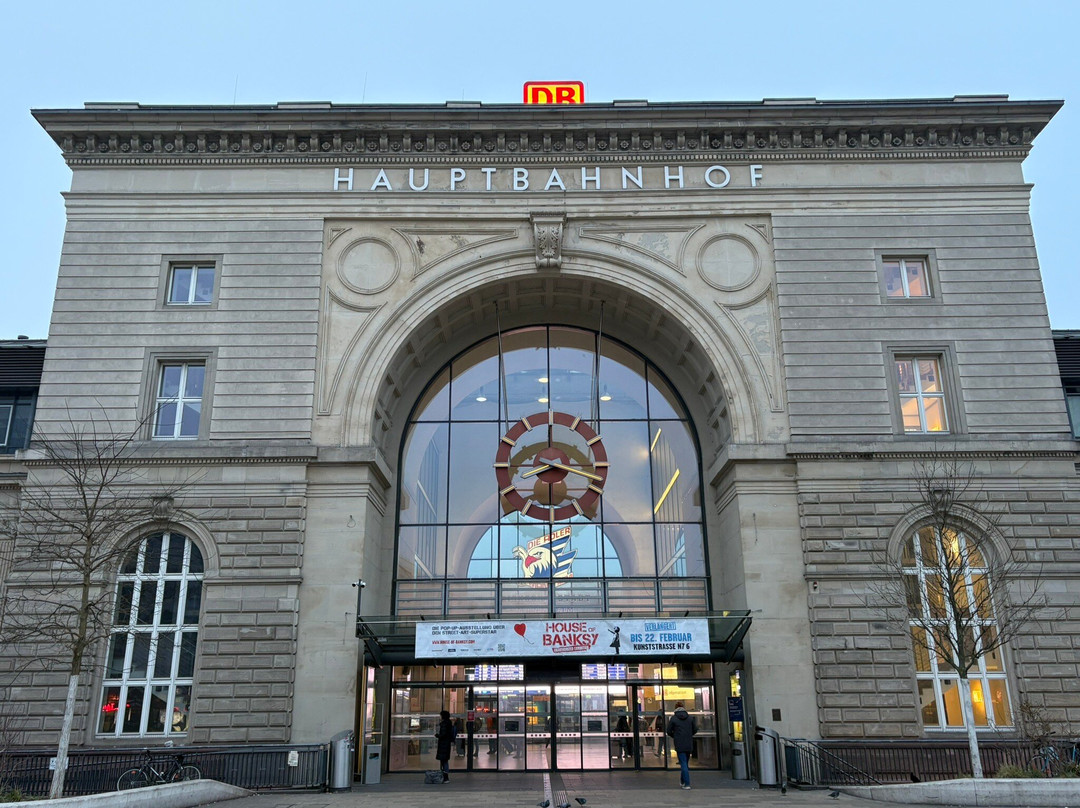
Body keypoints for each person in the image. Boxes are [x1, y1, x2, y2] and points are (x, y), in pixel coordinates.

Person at [666, 702, 697, 790]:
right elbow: (695, 729)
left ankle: (687, 783)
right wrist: (689, 735)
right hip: (688, 743)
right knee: (685, 763)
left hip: (679, 743)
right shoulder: (690, 718)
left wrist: (675, 736)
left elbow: (668, 731)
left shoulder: (674, 719)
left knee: (683, 764)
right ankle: (683, 781)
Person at [435, 709, 456, 783]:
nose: (440, 717)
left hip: (443, 744)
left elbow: (443, 734)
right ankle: (444, 776)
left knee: (444, 761)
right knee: (445, 760)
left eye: (440, 715)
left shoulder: (444, 724)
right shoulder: (449, 723)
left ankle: (445, 778)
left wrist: (438, 735)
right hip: (446, 744)